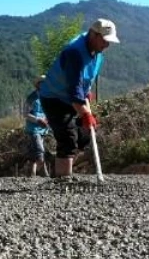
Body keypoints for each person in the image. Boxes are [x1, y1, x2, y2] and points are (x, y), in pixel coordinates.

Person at [39, 19, 119, 178]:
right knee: (68, 138)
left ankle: (59, 167)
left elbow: (86, 79)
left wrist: (87, 93)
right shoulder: (74, 52)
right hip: (54, 98)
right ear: (93, 35)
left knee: (85, 134)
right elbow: (73, 90)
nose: (107, 45)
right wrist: (85, 114)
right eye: (104, 40)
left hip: (72, 98)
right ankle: (63, 180)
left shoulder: (97, 52)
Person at [24, 77, 52, 176]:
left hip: (43, 128)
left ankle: (32, 173)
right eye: (42, 83)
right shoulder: (31, 98)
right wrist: (38, 120)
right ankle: (44, 173)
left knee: (34, 151)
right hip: (33, 128)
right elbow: (26, 114)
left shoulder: (47, 97)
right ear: (38, 85)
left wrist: (47, 119)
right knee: (40, 150)